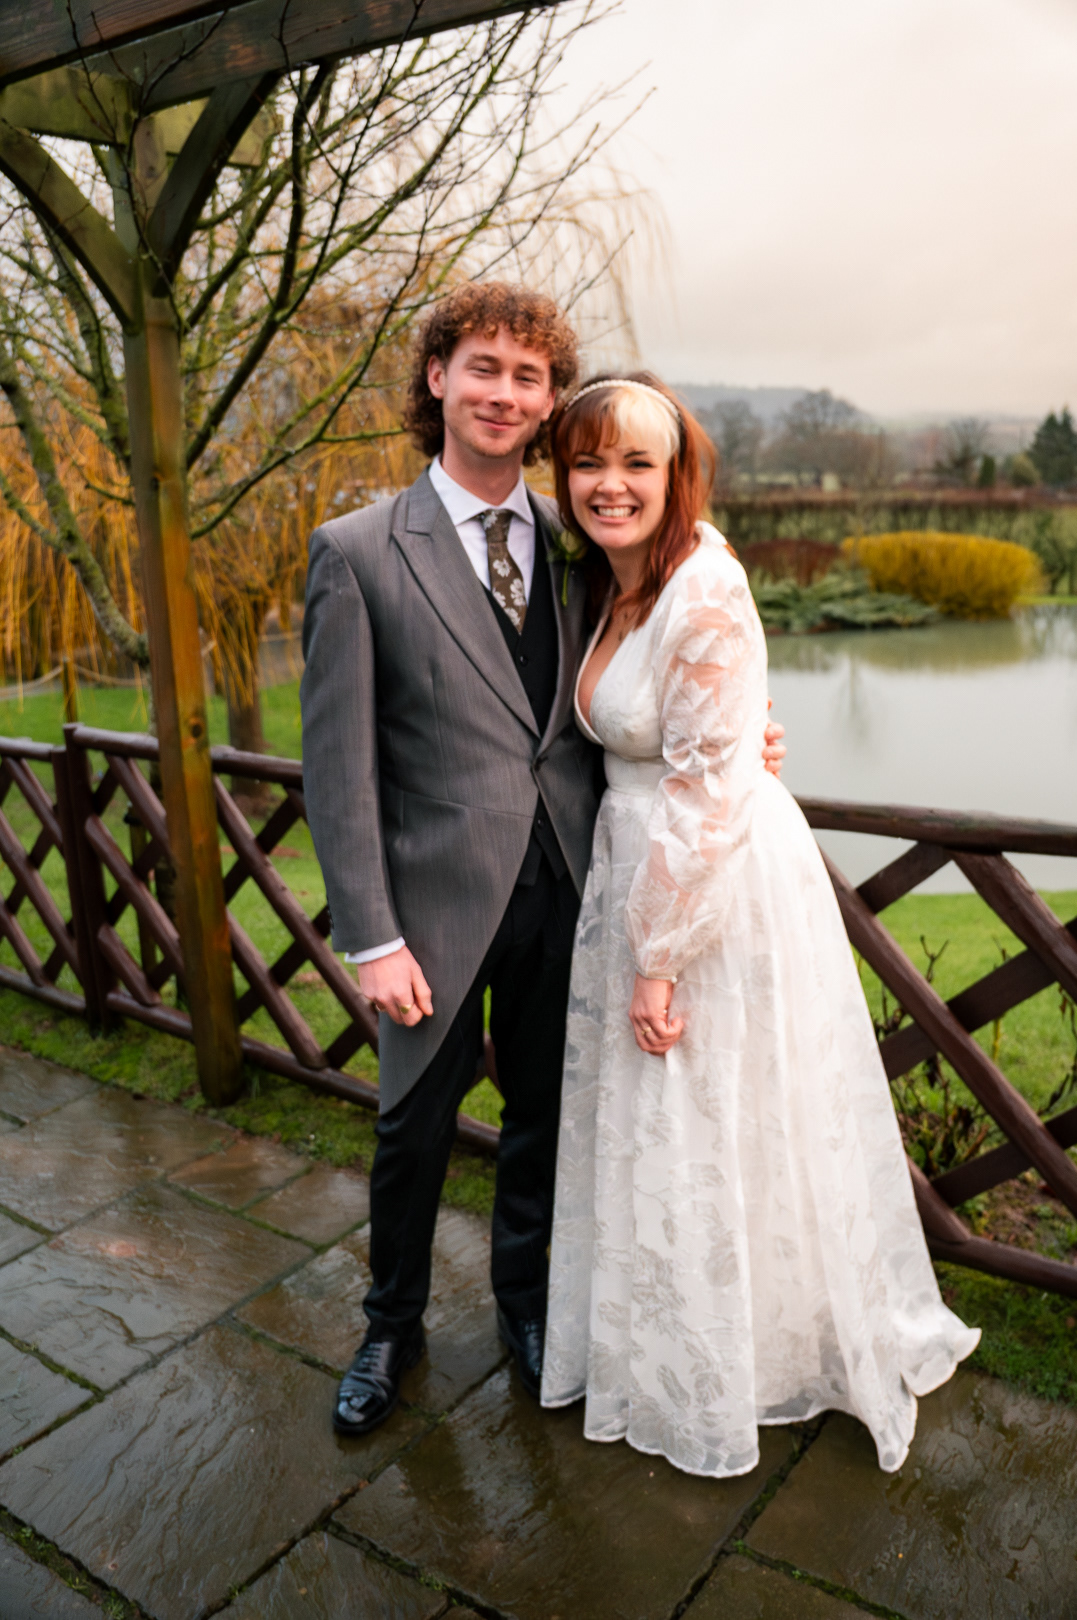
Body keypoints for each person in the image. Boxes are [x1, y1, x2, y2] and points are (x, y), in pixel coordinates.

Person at [300, 286, 785, 1438]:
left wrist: (746, 730)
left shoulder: (583, 544)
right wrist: (372, 935)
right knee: (412, 1128)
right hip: (430, 907)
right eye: (484, 368)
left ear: (550, 401)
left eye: (529, 377)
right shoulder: (358, 553)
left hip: (572, 891)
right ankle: (390, 1327)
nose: (504, 394)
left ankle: (527, 1309)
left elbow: (672, 662)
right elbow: (337, 765)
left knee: (544, 1122)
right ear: (438, 378)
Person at [539, 373, 980, 1478]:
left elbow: (703, 795)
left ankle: (744, 1358)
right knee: (669, 1125)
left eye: (637, 463)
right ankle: (668, 1344)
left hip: (708, 885)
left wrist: (658, 959)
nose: (610, 484)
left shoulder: (704, 583)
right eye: (589, 462)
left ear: (677, 474)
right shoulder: (608, 580)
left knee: (716, 1104)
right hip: (638, 863)